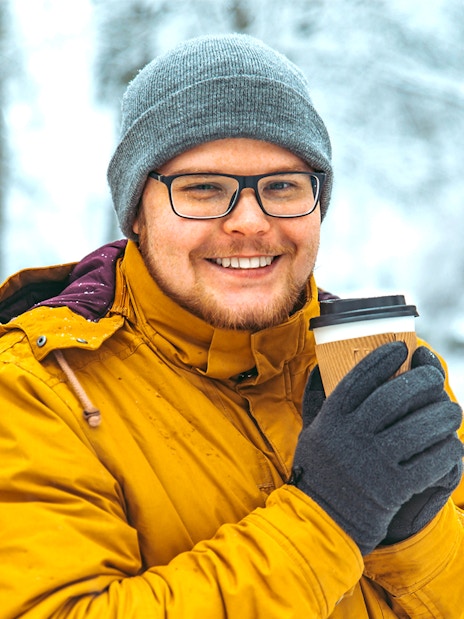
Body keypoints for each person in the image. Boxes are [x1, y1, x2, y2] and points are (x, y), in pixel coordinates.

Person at [0, 33, 463, 619]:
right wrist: (328, 516)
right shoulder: (38, 392)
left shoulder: (381, 373)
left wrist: (416, 538)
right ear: (136, 213)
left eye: (282, 187)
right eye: (203, 189)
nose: (250, 221)